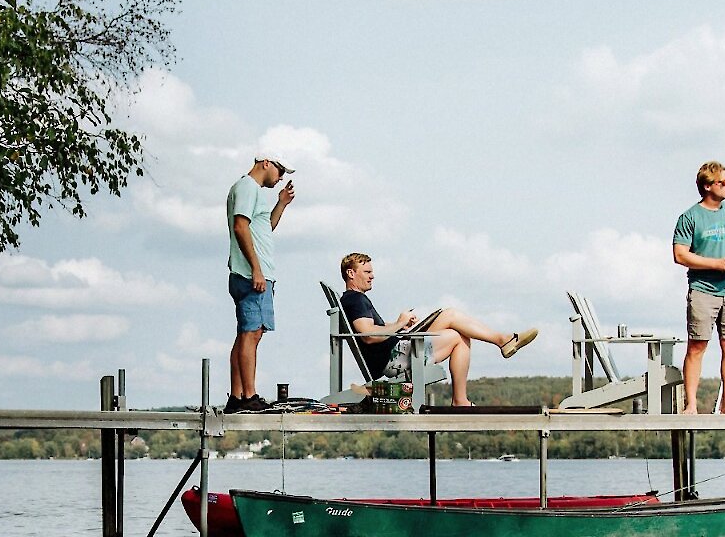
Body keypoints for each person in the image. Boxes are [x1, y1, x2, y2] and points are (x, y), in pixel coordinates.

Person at [337, 252, 536, 407]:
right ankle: (463, 396)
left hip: (397, 348)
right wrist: (398, 324)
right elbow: (369, 336)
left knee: (451, 318)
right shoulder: (355, 300)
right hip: (393, 358)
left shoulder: (354, 300)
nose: (372, 276)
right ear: (351, 274)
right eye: (367, 272)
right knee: (457, 334)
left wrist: (402, 325)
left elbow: (372, 329)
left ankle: (501, 343)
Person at [671, 160, 725, 414]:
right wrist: (716, 264)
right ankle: (691, 404)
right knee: (697, 345)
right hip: (703, 290)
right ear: (707, 186)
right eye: (722, 182)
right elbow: (680, 255)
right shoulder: (689, 217)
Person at [225, 156, 294, 410]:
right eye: (280, 171)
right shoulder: (246, 187)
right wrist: (256, 269)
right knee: (251, 333)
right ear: (266, 163)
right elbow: (240, 226)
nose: (281, 178)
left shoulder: (252, 192)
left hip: (255, 274)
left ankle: (238, 395)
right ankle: (247, 396)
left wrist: (281, 205)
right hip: (251, 275)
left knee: (248, 333)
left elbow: (265, 228)